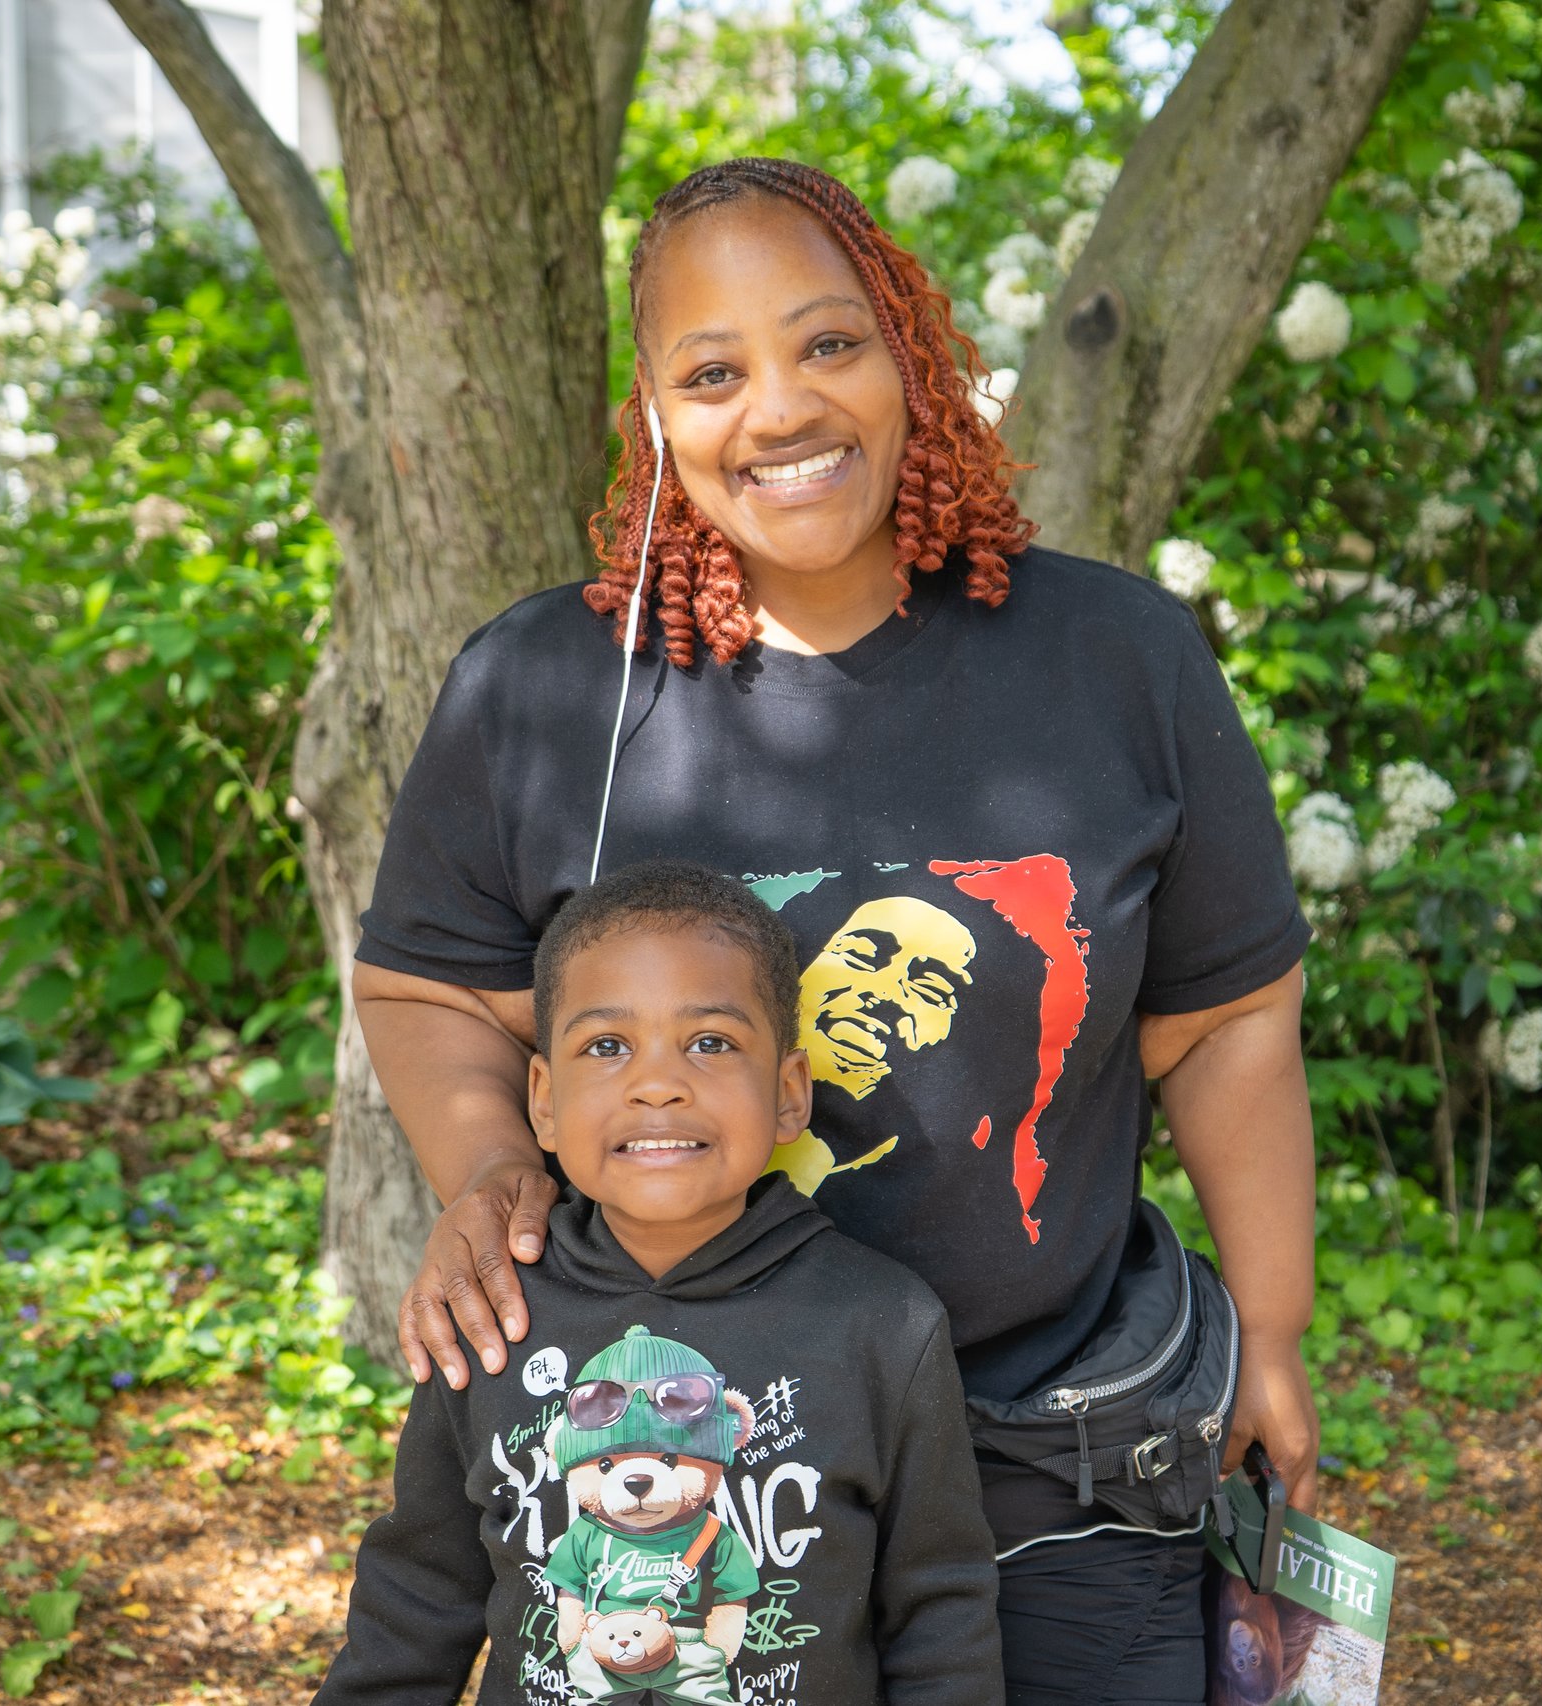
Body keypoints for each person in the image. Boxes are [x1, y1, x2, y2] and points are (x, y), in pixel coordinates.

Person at [355, 155, 1318, 1704]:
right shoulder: (548, 692)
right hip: (686, 1480)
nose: (783, 408)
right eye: (715, 371)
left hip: (1051, 1460)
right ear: (656, 418)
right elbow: (428, 987)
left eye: (829, 344)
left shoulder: (1116, 659)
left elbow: (1222, 1022)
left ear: (910, 360)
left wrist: (1270, 1326)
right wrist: (490, 1170)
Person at [312, 860, 1003, 1706]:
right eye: (606, 1047)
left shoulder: (885, 1325)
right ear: (544, 1101)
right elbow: (414, 1602)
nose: (657, 1084)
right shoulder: (493, 1310)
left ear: (789, 1094)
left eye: (711, 1043)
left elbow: (940, 1617)